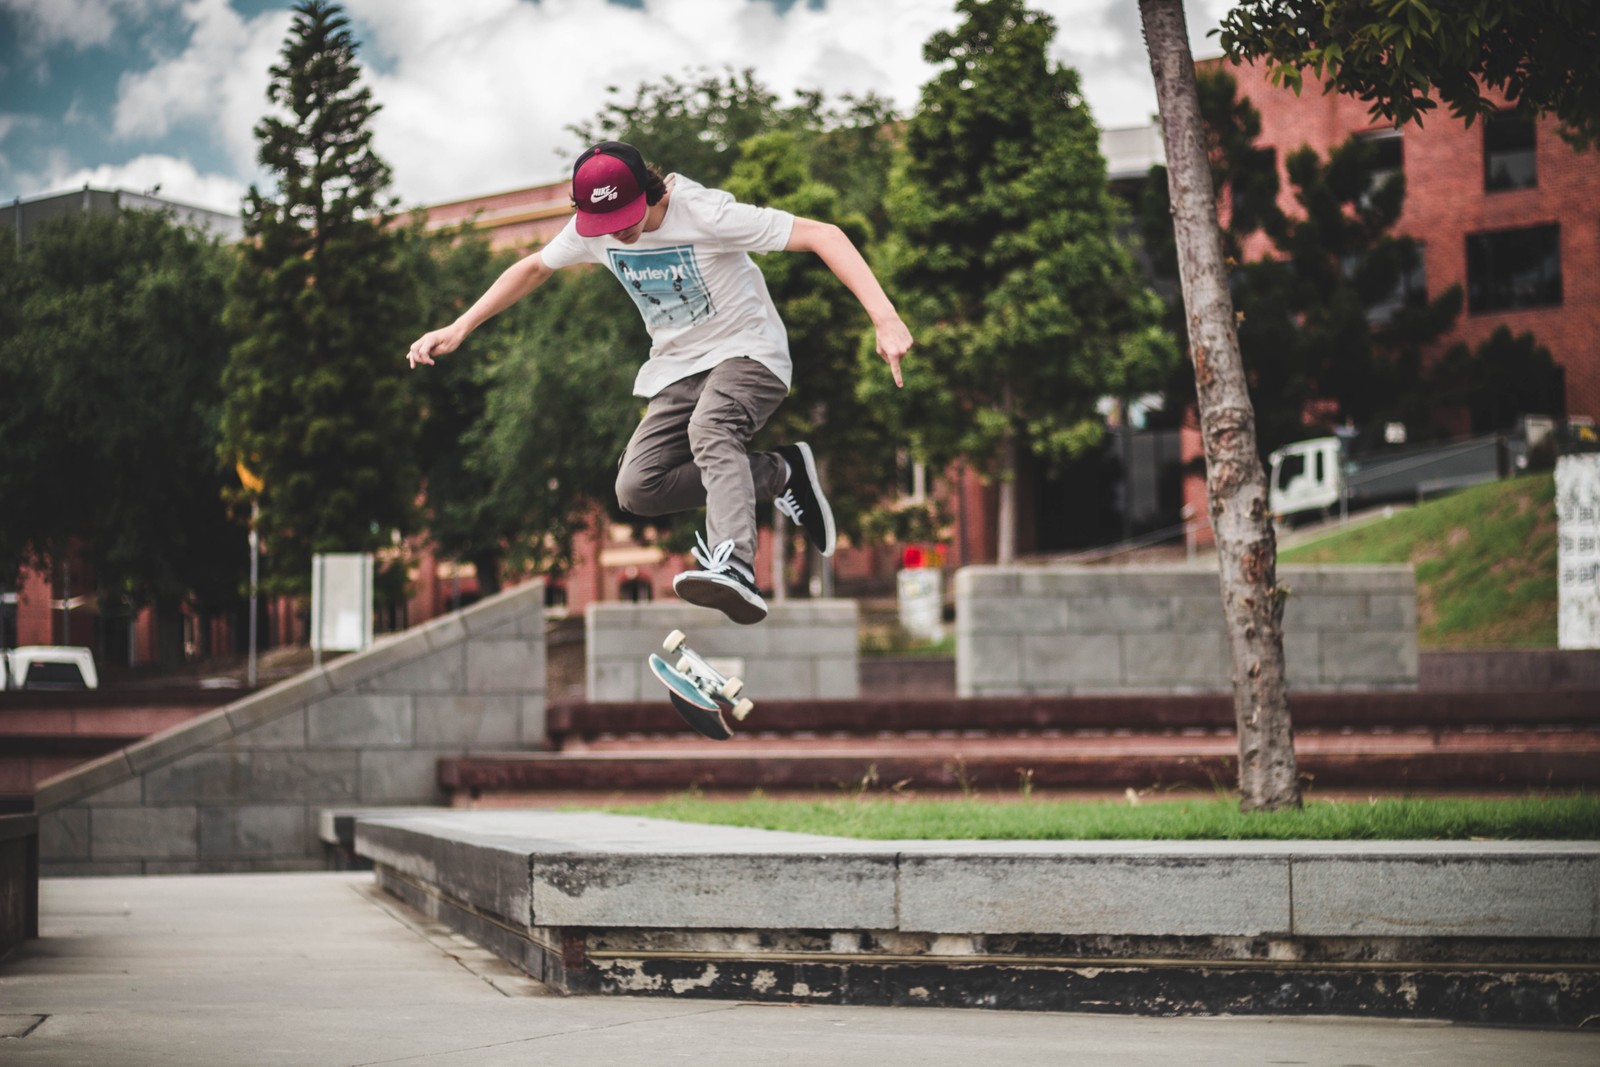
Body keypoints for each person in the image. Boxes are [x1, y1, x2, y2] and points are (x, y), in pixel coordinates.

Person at [408, 140, 913, 624]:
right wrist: (459, 327)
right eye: (604, 226)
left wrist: (884, 317)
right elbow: (534, 267)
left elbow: (823, 234)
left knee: (712, 430)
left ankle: (734, 564)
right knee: (637, 488)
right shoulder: (593, 230)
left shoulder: (708, 214)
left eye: (626, 221)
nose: (617, 235)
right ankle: (781, 474)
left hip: (749, 352)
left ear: (650, 192)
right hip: (678, 368)